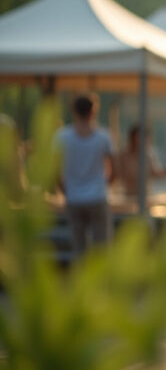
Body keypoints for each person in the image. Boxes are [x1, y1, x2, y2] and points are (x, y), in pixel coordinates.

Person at [55, 94, 115, 254]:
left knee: (79, 250)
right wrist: (105, 186)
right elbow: (114, 168)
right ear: (93, 111)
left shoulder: (62, 136)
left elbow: (55, 170)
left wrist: (65, 190)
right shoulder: (103, 137)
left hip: (73, 198)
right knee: (102, 250)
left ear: (74, 111)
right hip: (98, 197)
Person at [116, 124, 166, 200]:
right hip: (130, 197)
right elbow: (118, 174)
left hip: (146, 197)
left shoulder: (149, 155)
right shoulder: (124, 156)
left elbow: (156, 172)